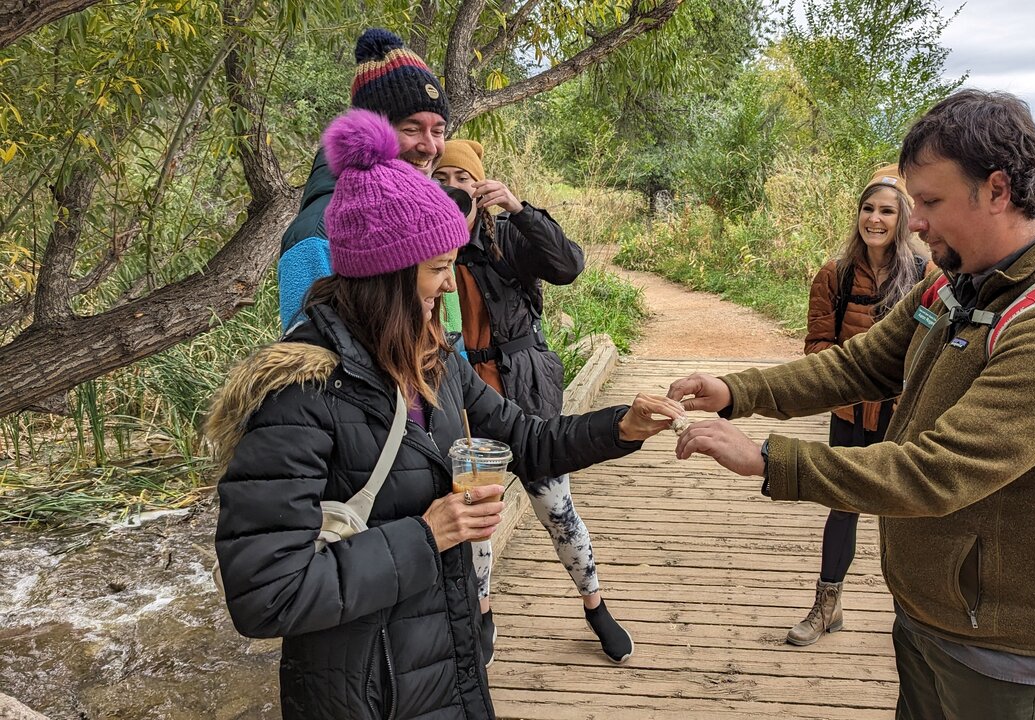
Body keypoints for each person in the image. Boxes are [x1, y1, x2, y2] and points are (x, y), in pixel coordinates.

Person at [667, 89, 1035, 720]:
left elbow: (937, 471)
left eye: (932, 202)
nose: (914, 223)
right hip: (932, 612)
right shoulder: (954, 283)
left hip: (1010, 645)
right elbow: (860, 364)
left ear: (998, 190)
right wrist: (739, 392)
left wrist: (769, 460)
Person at [207, 108, 684, 720]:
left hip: (445, 667)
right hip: (364, 695)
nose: (450, 286)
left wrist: (622, 426)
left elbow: (527, 439)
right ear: (385, 276)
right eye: (437, 269)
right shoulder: (299, 395)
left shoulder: (432, 362)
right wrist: (426, 535)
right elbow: (266, 594)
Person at [432, 139, 634, 664]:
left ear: (480, 184)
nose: (453, 187)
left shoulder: (505, 236)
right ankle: (482, 615)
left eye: (463, 178)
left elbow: (568, 265)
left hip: (524, 397)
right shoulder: (429, 245)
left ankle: (595, 604)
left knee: (557, 510)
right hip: (467, 408)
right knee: (477, 518)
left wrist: (518, 209)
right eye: (442, 177)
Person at [788, 165, 931, 646]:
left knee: (906, 514)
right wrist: (844, 384)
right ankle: (827, 607)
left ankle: (917, 623)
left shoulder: (926, 276)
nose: (875, 218)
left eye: (887, 211)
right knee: (842, 504)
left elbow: (933, 347)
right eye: (868, 209)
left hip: (901, 413)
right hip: (849, 412)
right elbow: (817, 345)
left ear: (903, 217)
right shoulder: (836, 273)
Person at [277, 27, 454, 333]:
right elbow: (307, 352)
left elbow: (446, 330)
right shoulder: (318, 232)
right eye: (411, 129)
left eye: (437, 131)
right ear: (370, 134)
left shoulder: (427, 215)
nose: (430, 146)